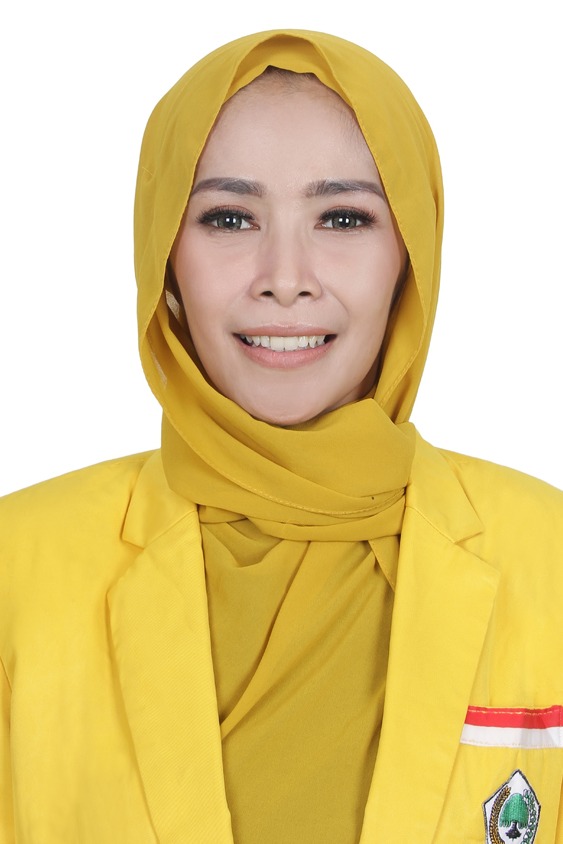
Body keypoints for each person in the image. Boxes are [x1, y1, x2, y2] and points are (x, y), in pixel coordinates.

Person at [1, 28, 562, 844]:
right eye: (229, 218)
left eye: (342, 217)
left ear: (411, 255)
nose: (286, 278)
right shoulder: (16, 567)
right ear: (164, 257)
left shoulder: (550, 556)